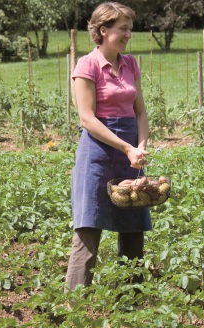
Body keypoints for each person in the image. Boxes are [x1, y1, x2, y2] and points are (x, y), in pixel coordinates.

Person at [66, 2, 152, 290]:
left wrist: (139, 145)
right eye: (123, 29)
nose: (128, 34)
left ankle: (131, 298)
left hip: (130, 152)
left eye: (130, 29)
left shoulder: (130, 64)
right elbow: (87, 118)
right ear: (103, 30)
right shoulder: (87, 65)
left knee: (133, 224)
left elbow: (140, 112)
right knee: (88, 226)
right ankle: (75, 305)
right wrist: (126, 147)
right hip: (97, 152)